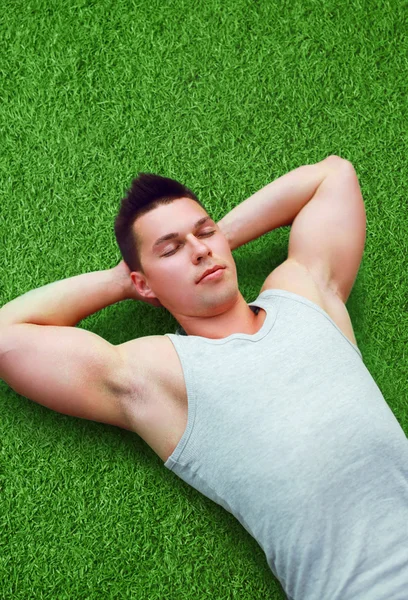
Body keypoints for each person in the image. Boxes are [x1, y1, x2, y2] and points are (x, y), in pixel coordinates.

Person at [0, 155, 407, 600]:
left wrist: (213, 241)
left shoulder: (304, 293)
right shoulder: (159, 374)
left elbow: (333, 176)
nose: (199, 249)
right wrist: (124, 281)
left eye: (205, 231)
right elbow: (8, 337)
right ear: (144, 285)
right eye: (170, 249)